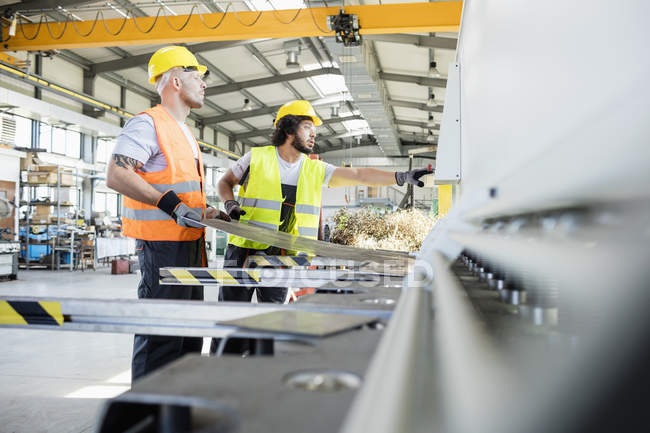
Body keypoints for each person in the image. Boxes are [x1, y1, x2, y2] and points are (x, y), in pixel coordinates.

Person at [213, 99, 432, 355]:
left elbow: (359, 176)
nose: (314, 133)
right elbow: (224, 181)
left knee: (272, 319)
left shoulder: (315, 169)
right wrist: (229, 204)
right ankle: (220, 365)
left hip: (283, 256)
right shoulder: (257, 157)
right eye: (307, 126)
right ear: (288, 129)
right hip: (244, 251)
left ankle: (260, 369)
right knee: (231, 318)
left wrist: (400, 177)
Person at [106, 46, 228, 381]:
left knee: (188, 336)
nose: (203, 84)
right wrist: (171, 205)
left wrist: (209, 211)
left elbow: (182, 190)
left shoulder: (186, 132)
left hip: (191, 246)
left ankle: (176, 411)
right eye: (196, 76)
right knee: (161, 335)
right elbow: (117, 174)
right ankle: (146, 415)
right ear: (175, 80)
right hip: (162, 248)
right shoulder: (148, 124)